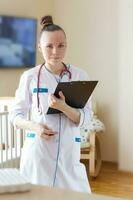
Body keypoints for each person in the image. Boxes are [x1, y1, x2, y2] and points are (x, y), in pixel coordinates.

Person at [10, 15, 93, 193]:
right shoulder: (29, 77)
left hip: (68, 155)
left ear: (66, 45)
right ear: (39, 47)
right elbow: (15, 116)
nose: (56, 51)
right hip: (39, 155)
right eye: (49, 46)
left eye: (61, 45)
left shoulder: (80, 76)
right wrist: (35, 126)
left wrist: (63, 107)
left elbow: (86, 118)